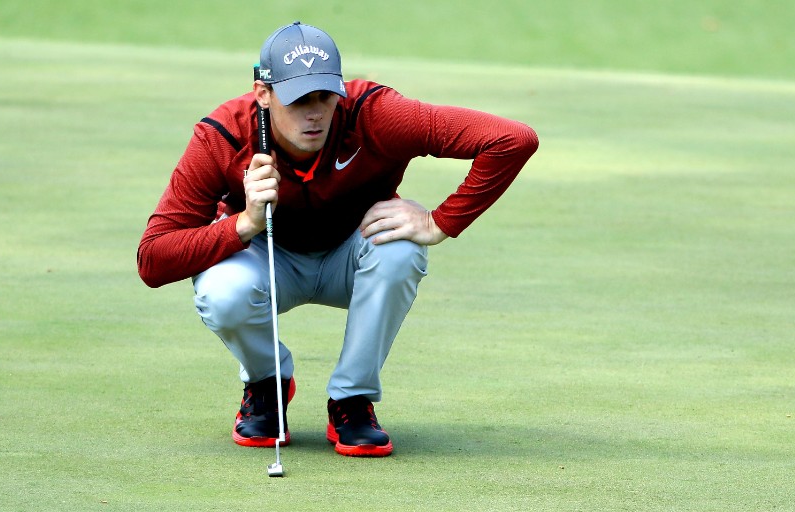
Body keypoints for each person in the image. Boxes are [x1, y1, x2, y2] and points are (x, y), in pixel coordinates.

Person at [137, 22, 538, 457]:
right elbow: (153, 259)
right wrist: (244, 224)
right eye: (297, 100)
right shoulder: (224, 135)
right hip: (266, 261)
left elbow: (513, 139)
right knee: (221, 290)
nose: (314, 113)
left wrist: (440, 222)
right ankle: (267, 382)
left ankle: (351, 400)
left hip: (351, 255)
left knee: (401, 249)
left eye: (324, 97)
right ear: (263, 93)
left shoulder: (376, 114)